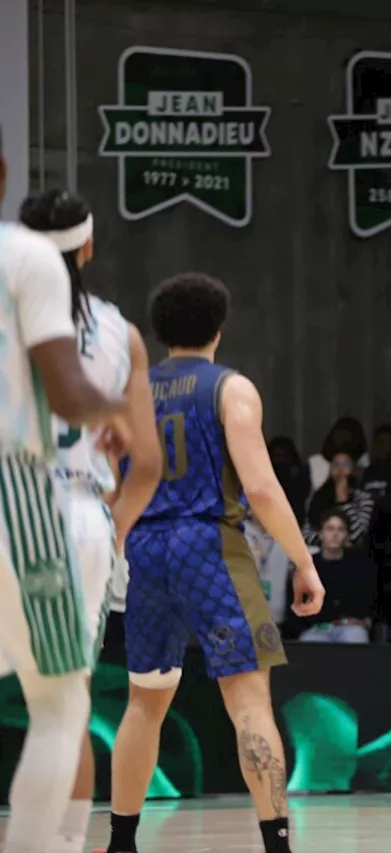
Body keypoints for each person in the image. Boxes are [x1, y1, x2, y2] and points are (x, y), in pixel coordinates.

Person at [100, 273, 325, 853]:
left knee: (144, 702)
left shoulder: (132, 393)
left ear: (159, 331)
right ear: (219, 328)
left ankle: (121, 842)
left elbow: (109, 486)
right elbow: (263, 489)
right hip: (210, 546)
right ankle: (276, 843)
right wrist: (304, 561)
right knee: (249, 700)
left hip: (144, 551)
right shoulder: (230, 388)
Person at [17, 189, 163, 853]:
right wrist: (113, 523)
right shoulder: (118, 331)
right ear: (90, 246)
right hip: (75, 516)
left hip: (14, 496)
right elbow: (148, 463)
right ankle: (61, 844)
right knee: (62, 708)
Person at [0, 134, 134, 853]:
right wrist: (113, 415)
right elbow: (74, 393)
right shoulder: (33, 266)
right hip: (40, 501)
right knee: (59, 703)